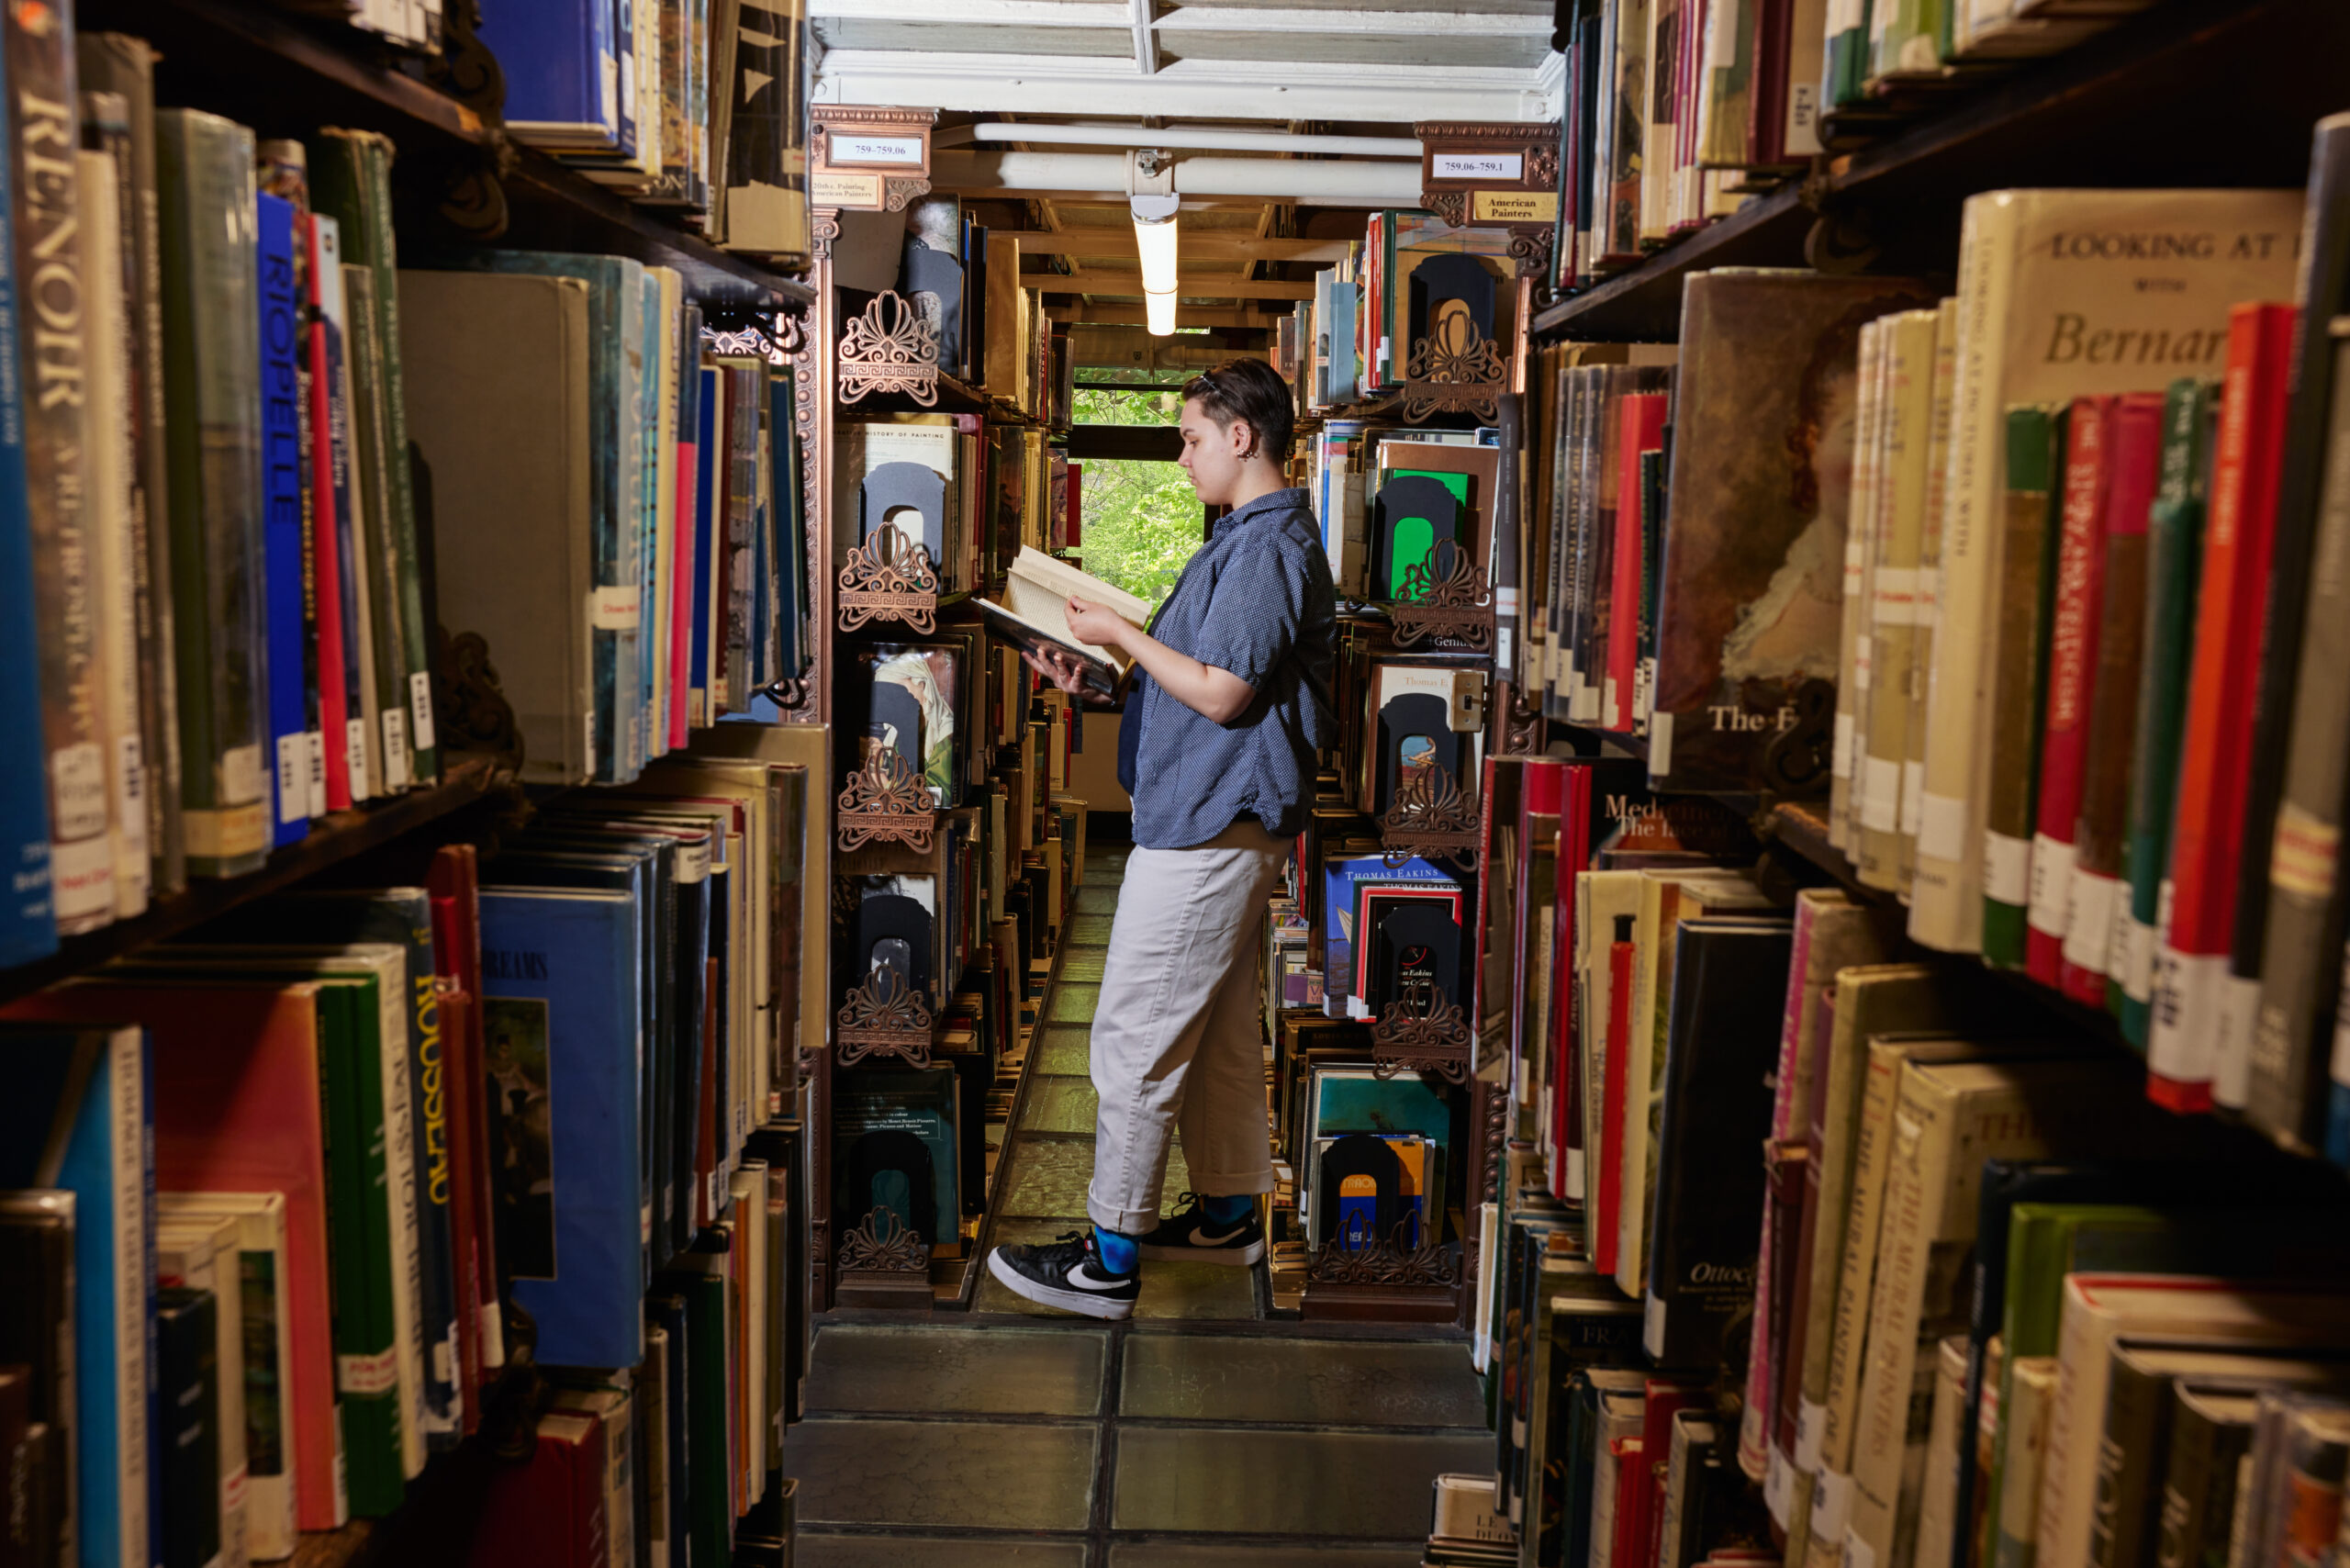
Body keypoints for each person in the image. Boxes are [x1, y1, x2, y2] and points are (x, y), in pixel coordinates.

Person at [987, 357, 1337, 1319]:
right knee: (1221, 1031)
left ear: (1239, 435)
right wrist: (1100, 672)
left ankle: (1108, 1259)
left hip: (1211, 825)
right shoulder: (1246, 537)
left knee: (1133, 1036)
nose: (1181, 459)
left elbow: (1224, 694)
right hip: (1213, 812)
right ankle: (1226, 1213)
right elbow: (1210, 681)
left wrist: (1123, 632)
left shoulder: (1266, 546)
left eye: (1189, 439)